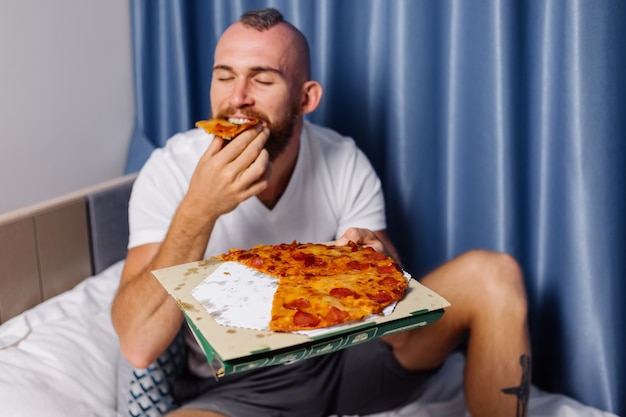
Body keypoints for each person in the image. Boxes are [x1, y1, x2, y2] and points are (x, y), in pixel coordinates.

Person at [112, 7, 531, 417]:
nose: (237, 97)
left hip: (347, 360)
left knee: (494, 274)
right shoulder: (170, 170)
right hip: (236, 389)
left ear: (306, 96)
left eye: (262, 78)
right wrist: (198, 211)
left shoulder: (342, 160)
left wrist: (380, 265)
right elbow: (137, 343)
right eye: (224, 76)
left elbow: (400, 336)